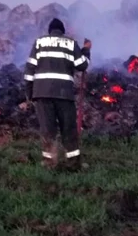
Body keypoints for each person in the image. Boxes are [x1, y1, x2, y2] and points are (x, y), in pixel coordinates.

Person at [24, 18, 92, 171]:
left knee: (48, 129)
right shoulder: (70, 43)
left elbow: (29, 71)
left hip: (41, 93)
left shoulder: (39, 43)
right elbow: (82, 65)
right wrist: (86, 49)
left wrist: (30, 94)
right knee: (68, 128)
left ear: (50, 32)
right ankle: (73, 164)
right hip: (63, 93)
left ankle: (49, 163)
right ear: (63, 32)